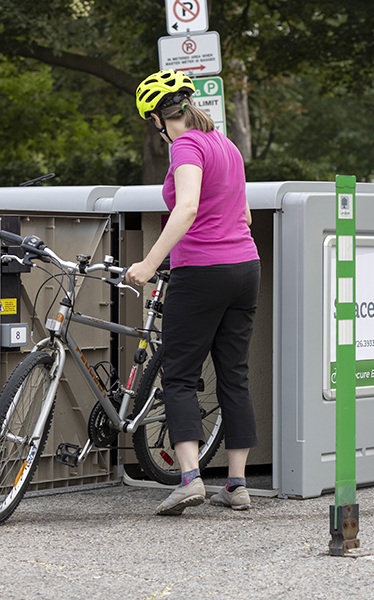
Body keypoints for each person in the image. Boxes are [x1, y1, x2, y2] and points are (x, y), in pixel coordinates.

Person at [125, 69, 260, 516]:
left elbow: (186, 208)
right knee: (233, 375)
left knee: (180, 374)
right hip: (246, 267)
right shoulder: (226, 145)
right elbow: (244, 214)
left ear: (159, 120)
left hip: (203, 272)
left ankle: (189, 480)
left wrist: (147, 264)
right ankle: (237, 485)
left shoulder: (185, 146)